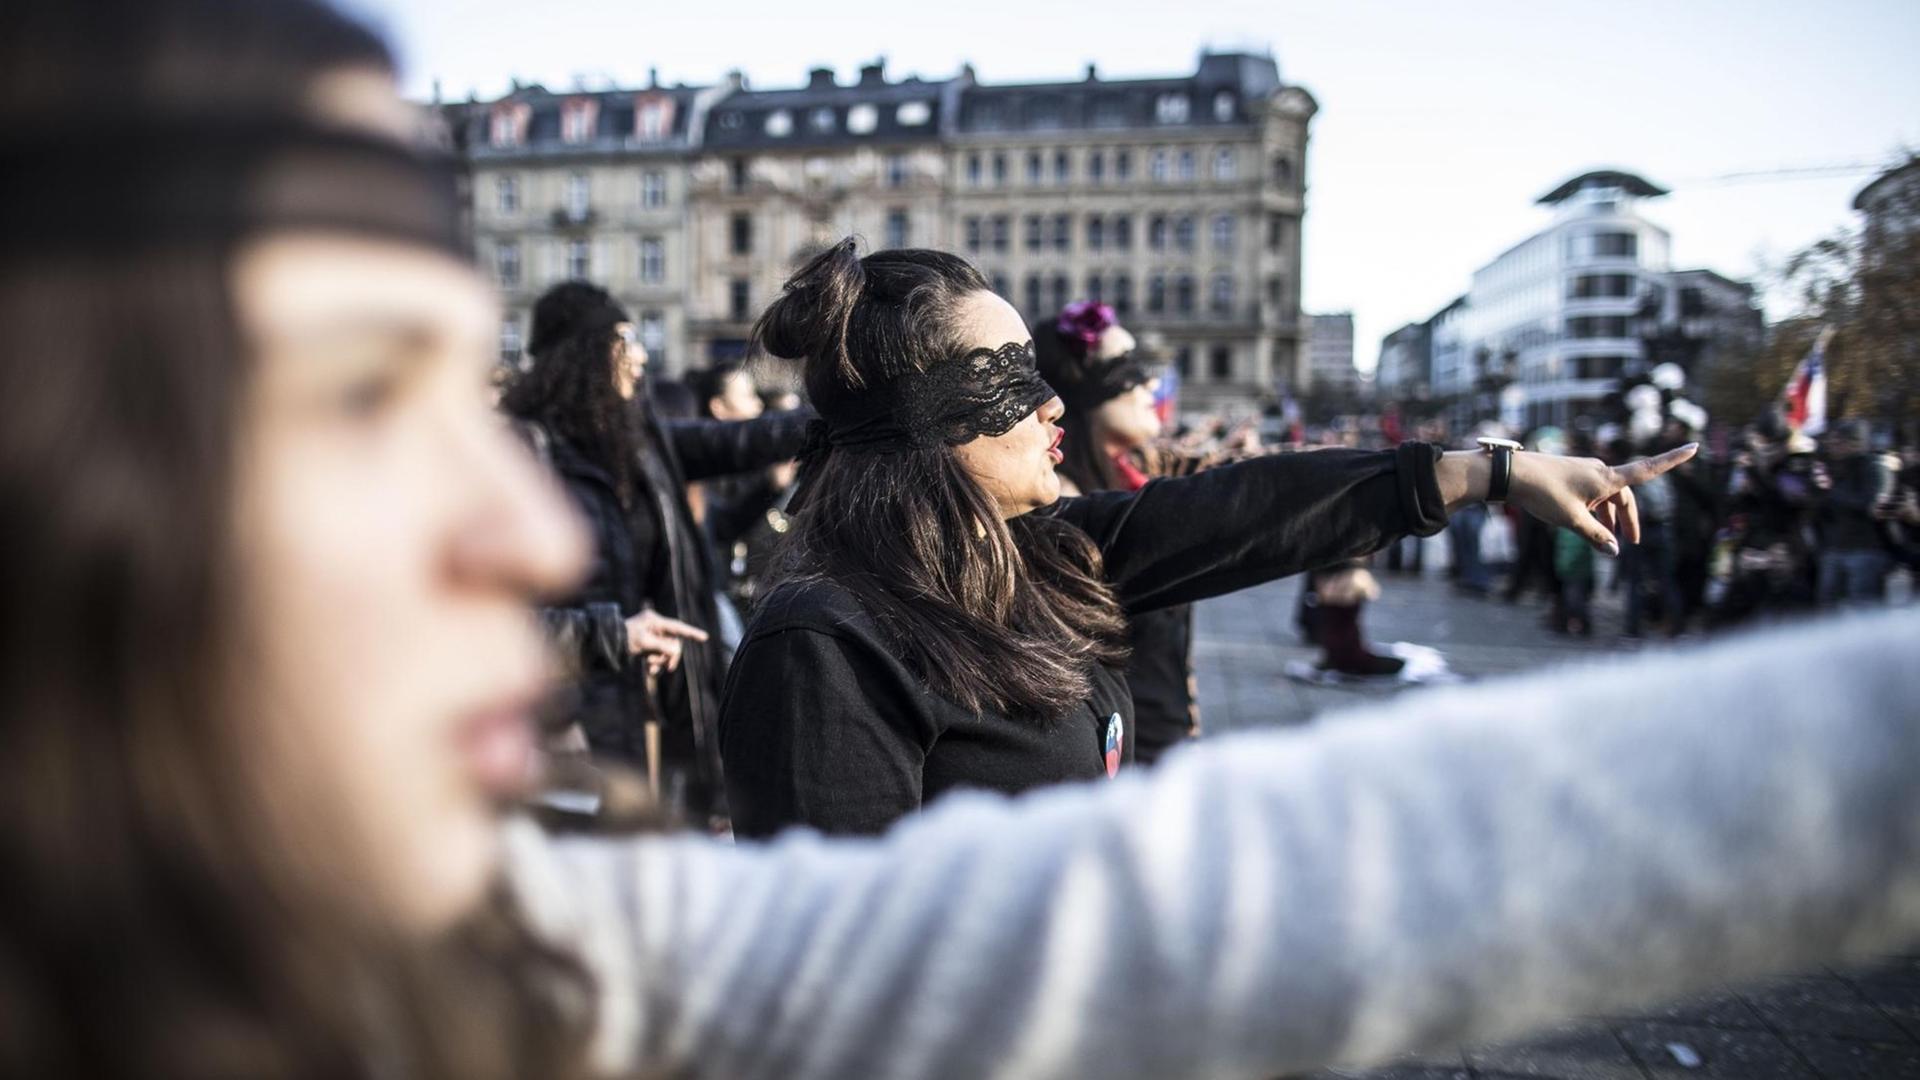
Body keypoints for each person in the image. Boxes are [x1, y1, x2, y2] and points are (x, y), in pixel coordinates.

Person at [13, 5, 1920, 1079]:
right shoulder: (825, 644)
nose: (528, 527)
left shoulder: (534, 969)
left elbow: (1250, 720)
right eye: (360, 396)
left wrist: (1478, 463)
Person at [719, 242, 1694, 839]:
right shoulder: (827, 645)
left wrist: (1495, 472)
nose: (1055, 400)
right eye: (1011, 379)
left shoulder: (1039, 551)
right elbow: (842, 987)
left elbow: (1247, 514)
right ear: (928, 420)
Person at [501, 283, 810, 823]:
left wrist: (838, 417)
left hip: (637, 703)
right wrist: (614, 634)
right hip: (558, 721)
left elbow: (742, 442)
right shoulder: (521, 453)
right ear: (583, 353)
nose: (640, 355)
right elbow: (491, 625)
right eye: (624, 340)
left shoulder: (641, 443)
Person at [1033, 300, 1201, 764]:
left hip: (1167, 740)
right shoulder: (1062, 507)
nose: (1150, 384)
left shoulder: (1130, 481)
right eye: (1126, 367)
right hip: (1124, 757)